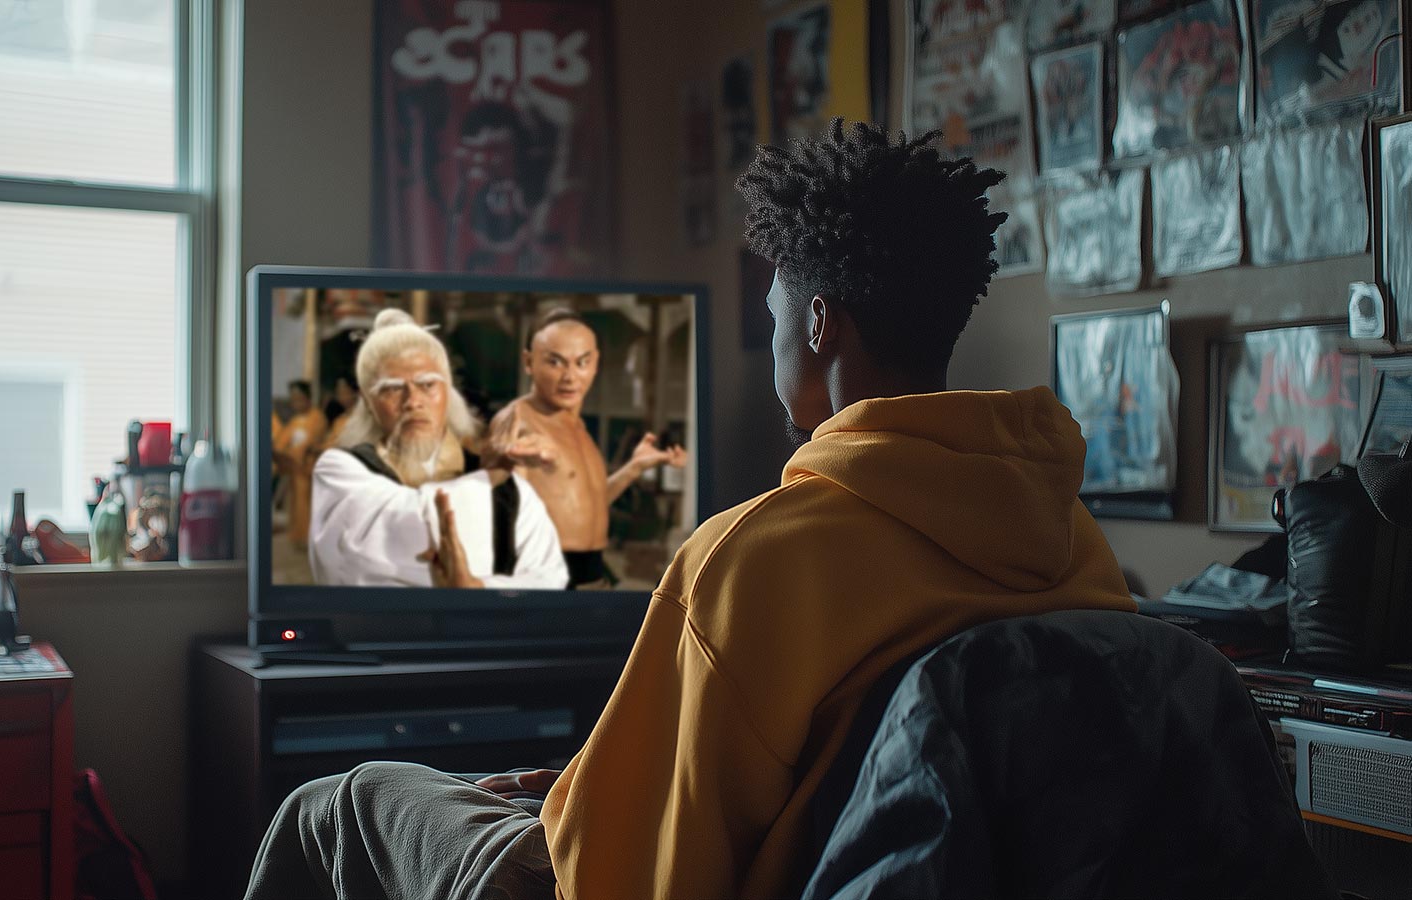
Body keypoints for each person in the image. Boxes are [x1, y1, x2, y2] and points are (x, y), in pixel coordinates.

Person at [244, 119, 1137, 900]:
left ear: (820, 323)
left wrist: (576, 812)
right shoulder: (1069, 540)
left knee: (339, 801)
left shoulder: (752, 557)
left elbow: (627, 881)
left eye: (776, 307)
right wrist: (595, 785)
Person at [307, 309, 568, 590]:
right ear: (369, 404)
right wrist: (490, 477)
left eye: (427, 384)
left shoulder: (512, 490)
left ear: (448, 393)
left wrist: (477, 587)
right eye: (392, 389)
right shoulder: (340, 470)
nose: (413, 401)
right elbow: (378, 543)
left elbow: (549, 580)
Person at [485, 309, 687, 588]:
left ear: (595, 364)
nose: (570, 377)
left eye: (581, 362)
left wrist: (634, 467)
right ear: (529, 362)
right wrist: (505, 459)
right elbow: (488, 482)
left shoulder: (575, 426)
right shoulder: (517, 419)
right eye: (555, 362)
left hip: (591, 575)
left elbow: (592, 502)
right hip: (547, 577)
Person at [272, 381, 326, 549]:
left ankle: (309, 539)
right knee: (295, 504)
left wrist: (292, 455)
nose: (297, 403)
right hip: (294, 470)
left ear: (308, 398)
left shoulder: (317, 418)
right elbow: (281, 441)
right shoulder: (295, 421)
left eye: (300, 399)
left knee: (308, 505)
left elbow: (310, 443)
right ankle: (298, 537)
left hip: (308, 471)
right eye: (293, 399)